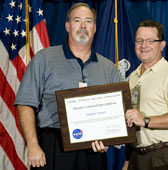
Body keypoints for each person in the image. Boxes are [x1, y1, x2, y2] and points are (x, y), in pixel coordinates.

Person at [14, 3, 121, 170]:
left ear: (94, 28)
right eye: (77, 20)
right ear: (67, 26)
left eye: (89, 21)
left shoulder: (108, 68)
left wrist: (108, 138)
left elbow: (117, 113)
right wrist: (33, 144)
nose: (83, 26)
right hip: (53, 146)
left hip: (94, 151)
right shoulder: (44, 59)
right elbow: (25, 103)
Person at [123, 20, 168, 170]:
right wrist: (128, 160)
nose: (143, 45)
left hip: (165, 156)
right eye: (139, 40)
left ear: (162, 45)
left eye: (150, 41)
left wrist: (146, 120)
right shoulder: (133, 77)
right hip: (136, 157)